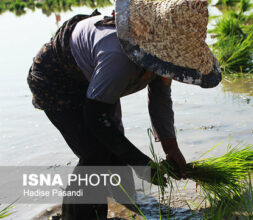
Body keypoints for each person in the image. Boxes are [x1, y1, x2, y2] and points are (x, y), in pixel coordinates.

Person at [27, 0, 222, 218]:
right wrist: (144, 165)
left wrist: (171, 148)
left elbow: (160, 99)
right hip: (57, 79)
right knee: (94, 153)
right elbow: (95, 116)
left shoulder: (161, 55)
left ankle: (123, 203)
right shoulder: (119, 57)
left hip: (94, 78)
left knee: (114, 143)